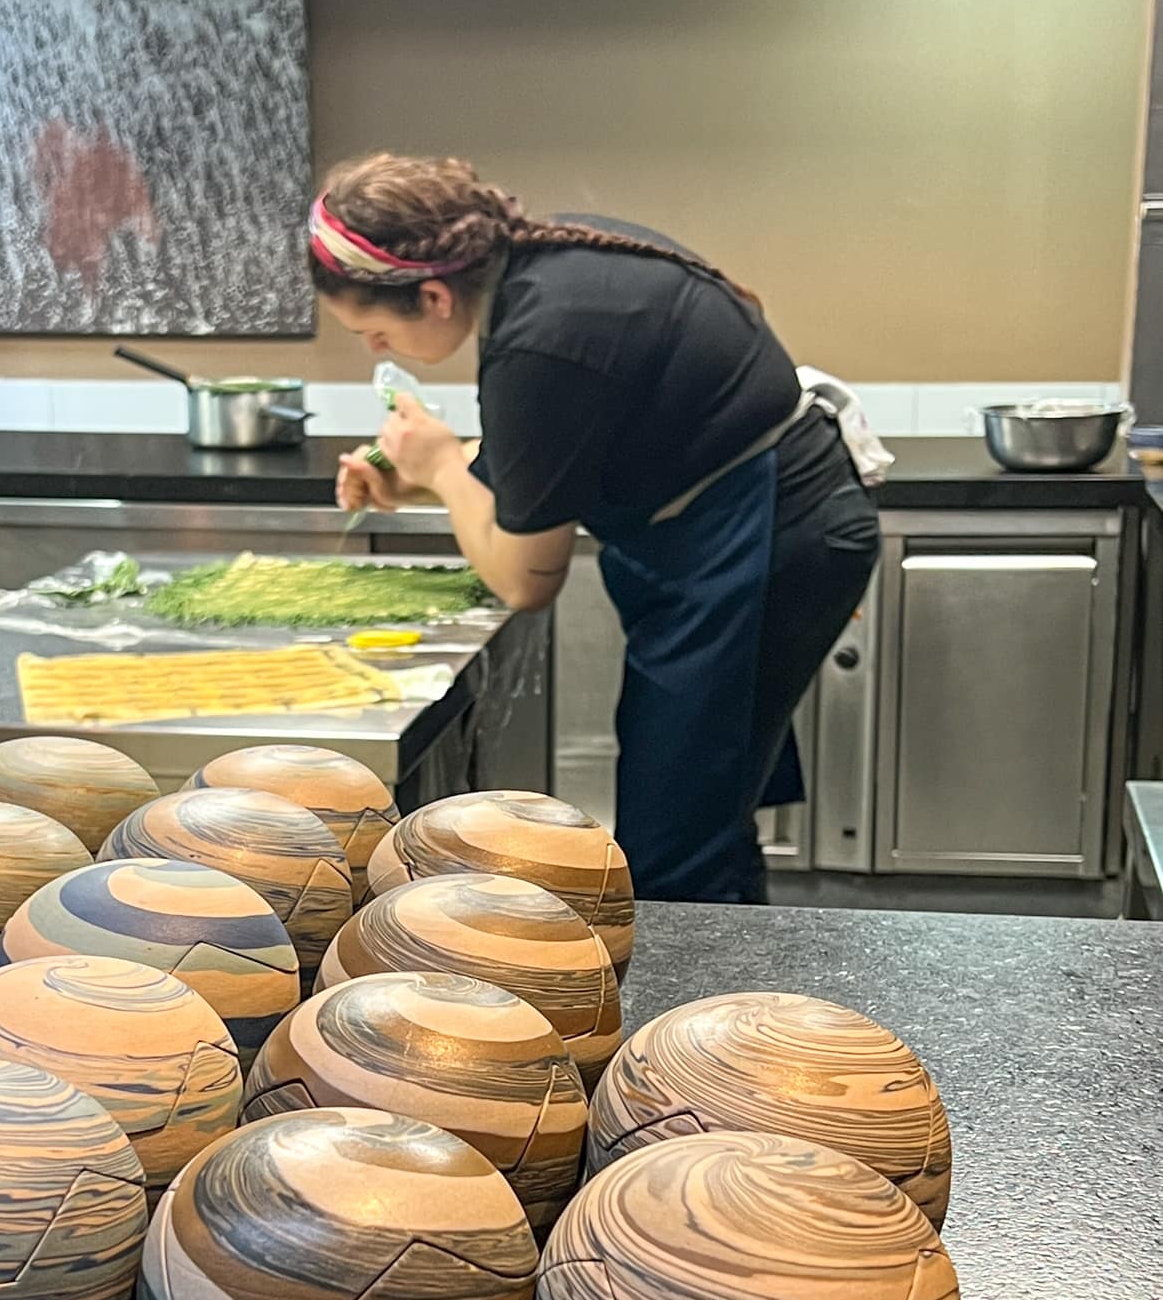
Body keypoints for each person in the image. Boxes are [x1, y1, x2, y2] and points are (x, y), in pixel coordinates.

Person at [310, 153, 880, 905]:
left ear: (434, 294)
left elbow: (525, 578)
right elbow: (557, 450)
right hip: (753, 515)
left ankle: (703, 1014)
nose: (374, 350)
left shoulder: (540, 339)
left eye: (373, 331)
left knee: (676, 841)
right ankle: (735, 1003)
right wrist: (425, 466)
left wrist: (446, 468)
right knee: (700, 806)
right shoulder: (552, 264)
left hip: (770, 535)